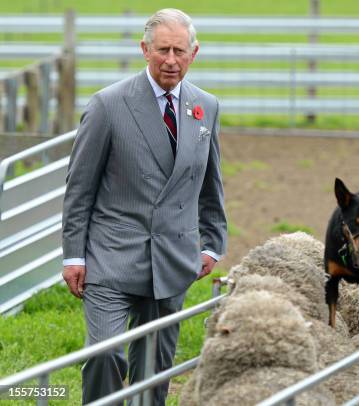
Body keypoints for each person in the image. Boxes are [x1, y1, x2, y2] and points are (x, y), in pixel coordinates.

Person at [61, 8, 227, 404]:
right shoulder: (108, 105)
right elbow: (79, 188)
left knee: (154, 369)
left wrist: (211, 242)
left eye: (180, 51)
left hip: (172, 258)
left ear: (194, 53)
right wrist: (73, 255)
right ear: (144, 49)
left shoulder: (206, 107)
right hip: (111, 258)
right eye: (163, 50)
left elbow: (210, 181)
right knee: (105, 355)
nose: (171, 60)